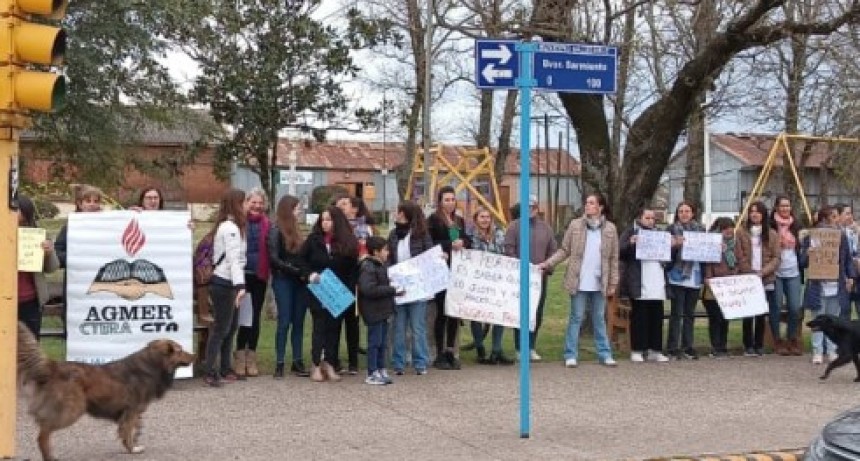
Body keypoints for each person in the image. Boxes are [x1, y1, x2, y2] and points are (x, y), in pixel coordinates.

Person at [540, 193, 619, 368]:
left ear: (600, 207)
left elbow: (614, 258)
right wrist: (548, 263)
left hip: (600, 281)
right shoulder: (576, 225)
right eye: (586, 203)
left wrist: (613, 283)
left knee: (599, 317)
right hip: (579, 280)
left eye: (591, 203)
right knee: (576, 317)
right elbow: (564, 250)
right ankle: (570, 354)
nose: (587, 206)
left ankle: (604, 354)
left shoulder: (610, 229)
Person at [300, 206, 359, 382]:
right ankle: (316, 363)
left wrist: (348, 290)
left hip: (338, 292)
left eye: (329, 219)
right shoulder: (313, 240)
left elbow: (352, 268)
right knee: (319, 327)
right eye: (323, 220)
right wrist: (309, 274)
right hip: (318, 289)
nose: (325, 223)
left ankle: (330, 362)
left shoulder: (347, 242)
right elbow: (302, 261)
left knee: (334, 328)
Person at [503, 195, 557, 362]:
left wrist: (547, 266)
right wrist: (520, 267)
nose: (530, 210)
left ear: (536, 208)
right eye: (526, 207)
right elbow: (509, 250)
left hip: (540, 279)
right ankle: (520, 348)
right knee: (520, 313)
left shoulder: (546, 228)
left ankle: (531, 346)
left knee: (536, 313)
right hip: (519, 279)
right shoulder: (513, 227)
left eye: (532, 206)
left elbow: (553, 251)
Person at [204, 188, 248, 387]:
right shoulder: (230, 228)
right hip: (224, 282)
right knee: (221, 328)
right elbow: (233, 260)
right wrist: (240, 285)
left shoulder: (235, 226)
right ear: (237, 204)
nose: (247, 205)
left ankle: (225, 367)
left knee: (231, 327)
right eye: (245, 201)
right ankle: (210, 370)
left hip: (231, 282)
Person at [800, 206, 855, 365]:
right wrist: (808, 253)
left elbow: (846, 260)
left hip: (836, 285)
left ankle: (831, 350)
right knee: (818, 318)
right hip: (818, 285)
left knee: (834, 321)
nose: (837, 219)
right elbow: (802, 262)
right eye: (834, 216)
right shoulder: (811, 236)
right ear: (825, 219)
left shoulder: (842, 237)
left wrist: (850, 277)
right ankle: (817, 351)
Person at [427, 186, 471, 370]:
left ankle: (451, 350)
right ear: (440, 202)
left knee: (454, 312)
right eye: (447, 200)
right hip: (440, 270)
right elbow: (430, 242)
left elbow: (467, 239)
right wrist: (448, 245)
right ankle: (439, 353)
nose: (451, 203)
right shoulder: (433, 220)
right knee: (442, 313)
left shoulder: (458, 220)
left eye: (453, 199)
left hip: (456, 270)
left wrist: (463, 242)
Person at [619, 207, 670, 363]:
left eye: (653, 218)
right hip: (639, 279)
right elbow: (621, 252)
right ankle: (637, 349)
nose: (650, 221)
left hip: (657, 279)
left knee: (656, 315)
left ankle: (655, 349)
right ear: (640, 218)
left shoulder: (661, 234)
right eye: (647, 218)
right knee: (640, 316)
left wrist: (673, 246)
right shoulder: (631, 232)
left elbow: (669, 257)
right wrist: (631, 243)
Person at [387, 200, 433, 375]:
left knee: (417, 326)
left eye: (399, 211)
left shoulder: (421, 234)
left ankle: (420, 361)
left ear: (406, 214)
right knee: (398, 327)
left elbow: (429, 256)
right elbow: (390, 257)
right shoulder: (393, 234)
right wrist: (391, 274)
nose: (396, 214)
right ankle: (398, 362)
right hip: (399, 286)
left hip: (417, 287)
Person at [268, 194, 311, 379]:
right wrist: (294, 271)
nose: (299, 211)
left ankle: (297, 360)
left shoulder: (298, 231)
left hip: (299, 282)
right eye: (297, 208)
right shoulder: (275, 230)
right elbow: (274, 258)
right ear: (288, 210)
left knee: (299, 321)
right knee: (284, 321)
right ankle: (279, 361)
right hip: (283, 279)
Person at [54, 184, 104, 336]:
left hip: (101, 287)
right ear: (80, 204)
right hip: (76, 286)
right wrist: (76, 257)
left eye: (96, 201)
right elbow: (58, 254)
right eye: (88, 201)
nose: (92, 205)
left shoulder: (108, 226)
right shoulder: (69, 227)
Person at [334, 195, 375, 374]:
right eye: (339, 205)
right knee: (335, 321)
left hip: (356, 276)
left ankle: (353, 361)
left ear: (355, 208)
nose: (342, 207)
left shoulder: (364, 228)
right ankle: (332, 359)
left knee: (353, 321)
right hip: (336, 278)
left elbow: (368, 250)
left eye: (345, 204)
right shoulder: (334, 227)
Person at [234, 188, 271, 377]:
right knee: (243, 317)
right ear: (246, 203)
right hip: (242, 275)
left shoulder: (268, 224)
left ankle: (252, 356)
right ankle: (239, 355)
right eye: (253, 202)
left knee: (254, 316)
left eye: (260, 203)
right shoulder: (238, 223)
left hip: (259, 276)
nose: (257, 206)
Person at [735, 201, 780, 356]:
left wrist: (763, 272)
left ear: (763, 214)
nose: (754, 214)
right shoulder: (741, 232)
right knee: (748, 312)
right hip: (747, 277)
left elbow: (776, 257)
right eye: (752, 211)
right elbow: (739, 255)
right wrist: (749, 271)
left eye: (758, 212)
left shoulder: (772, 234)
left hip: (765, 278)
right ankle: (747, 344)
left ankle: (759, 344)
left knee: (761, 312)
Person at [469, 207, 513, 365]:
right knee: (476, 316)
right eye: (482, 217)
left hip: (496, 282)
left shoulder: (499, 234)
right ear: (476, 219)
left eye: (488, 217)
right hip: (478, 282)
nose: (485, 220)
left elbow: (504, 254)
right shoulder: (470, 236)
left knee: (499, 314)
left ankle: (496, 349)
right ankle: (480, 347)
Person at [702, 217, 750, 358]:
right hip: (713, 286)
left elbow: (740, 260)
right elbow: (708, 262)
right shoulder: (711, 242)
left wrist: (744, 273)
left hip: (729, 286)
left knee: (725, 317)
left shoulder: (735, 244)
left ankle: (722, 346)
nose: (729, 231)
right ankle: (715, 346)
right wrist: (708, 278)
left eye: (731, 227)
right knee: (715, 317)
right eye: (725, 228)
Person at [665, 200, 706, 360]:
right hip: (677, 275)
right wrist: (674, 245)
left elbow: (707, 251)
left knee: (690, 313)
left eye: (687, 211)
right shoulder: (671, 230)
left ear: (693, 213)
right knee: (676, 313)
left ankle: (688, 346)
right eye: (681, 211)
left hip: (694, 276)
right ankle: (672, 347)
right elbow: (664, 252)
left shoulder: (701, 230)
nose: (684, 214)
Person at [17, 195, 60, 338]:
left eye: (18, 210)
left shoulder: (38, 234)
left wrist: (49, 252)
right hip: (5, 299)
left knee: (30, 346)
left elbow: (52, 268)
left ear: (26, 212)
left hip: (30, 301)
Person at [358, 236, 399, 385]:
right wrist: (391, 289)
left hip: (383, 309)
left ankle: (381, 368)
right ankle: (372, 372)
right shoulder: (368, 267)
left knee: (382, 342)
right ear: (376, 252)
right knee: (374, 342)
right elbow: (368, 289)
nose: (388, 252)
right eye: (385, 250)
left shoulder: (382, 265)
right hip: (373, 311)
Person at [769, 195, 804, 356]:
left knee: (794, 307)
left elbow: (804, 246)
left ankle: (792, 338)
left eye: (788, 206)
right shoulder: (770, 226)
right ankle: (777, 339)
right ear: (776, 208)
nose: (785, 209)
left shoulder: (796, 226)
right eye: (782, 206)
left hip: (793, 271)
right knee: (775, 306)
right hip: (775, 271)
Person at [835, 203, 859, 319]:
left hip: (857, 276)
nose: (850, 217)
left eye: (851, 214)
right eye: (847, 214)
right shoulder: (834, 233)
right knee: (845, 311)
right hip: (844, 277)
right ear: (838, 216)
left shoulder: (853, 231)